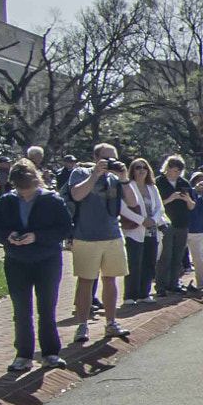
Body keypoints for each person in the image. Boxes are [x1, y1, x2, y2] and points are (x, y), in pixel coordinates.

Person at [0, 160, 74, 371]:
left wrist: (37, 237)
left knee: (47, 308)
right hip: (17, 261)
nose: (25, 195)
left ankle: (50, 353)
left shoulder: (52, 200)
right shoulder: (6, 201)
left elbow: (65, 228)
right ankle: (23, 354)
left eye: (28, 190)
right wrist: (8, 236)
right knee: (21, 310)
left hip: (46, 260)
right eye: (20, 191)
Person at [67, 145, 132, 347]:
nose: (109, 163)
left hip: (112, 235)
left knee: (110, 279)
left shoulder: (115, 179)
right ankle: (82, 325)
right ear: (95, 157)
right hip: (86, 236)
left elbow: (132, 202)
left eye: (113, 159)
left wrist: (124, 177)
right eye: (105, 159)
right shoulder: (80, 173)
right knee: (86, 281)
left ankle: (111, 322)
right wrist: (95, 174)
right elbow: (76, 195)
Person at [119, 158, 164, 306]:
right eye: (138, 167)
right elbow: (123, 208)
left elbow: (160, 208)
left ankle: (144, 293)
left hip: (151, 230)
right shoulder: (128, 186)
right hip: (134, 231)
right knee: (134, 263)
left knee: (149, 262)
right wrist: (141, 220)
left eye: (144, 167)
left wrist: (154, 220)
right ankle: (130, 296)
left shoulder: (152, 187)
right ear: (132, 170)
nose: (141, 170)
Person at [155, 158, 194, 296]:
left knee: (178, 256)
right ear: (168, 168)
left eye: (179, 171)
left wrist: (186, 199)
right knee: (165, 256)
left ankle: (174, 283)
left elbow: (192, 206)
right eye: (174, 170)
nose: (176, 173)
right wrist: (171, 198)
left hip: (182, 223)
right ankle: (161, 286)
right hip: (165, 224)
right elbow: (156, 205)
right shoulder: (158, 182)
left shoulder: (184, 183)